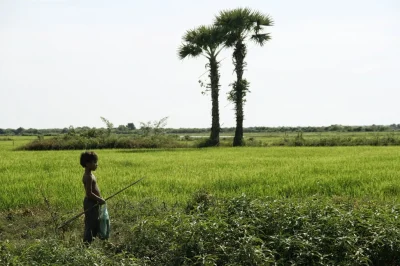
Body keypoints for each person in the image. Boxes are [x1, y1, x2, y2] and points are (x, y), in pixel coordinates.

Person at [80, 151, 106, 244]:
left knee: (95, 223)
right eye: (94, 162)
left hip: (94, 202)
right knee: (91, 224)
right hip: (90, 203)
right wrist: (100, 199)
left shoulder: (91, 174)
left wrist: (98, 200)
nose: (96, 164)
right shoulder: (88, 177)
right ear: (87, 164)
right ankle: (86, 245)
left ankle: (93, 242)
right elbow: (89, 193)